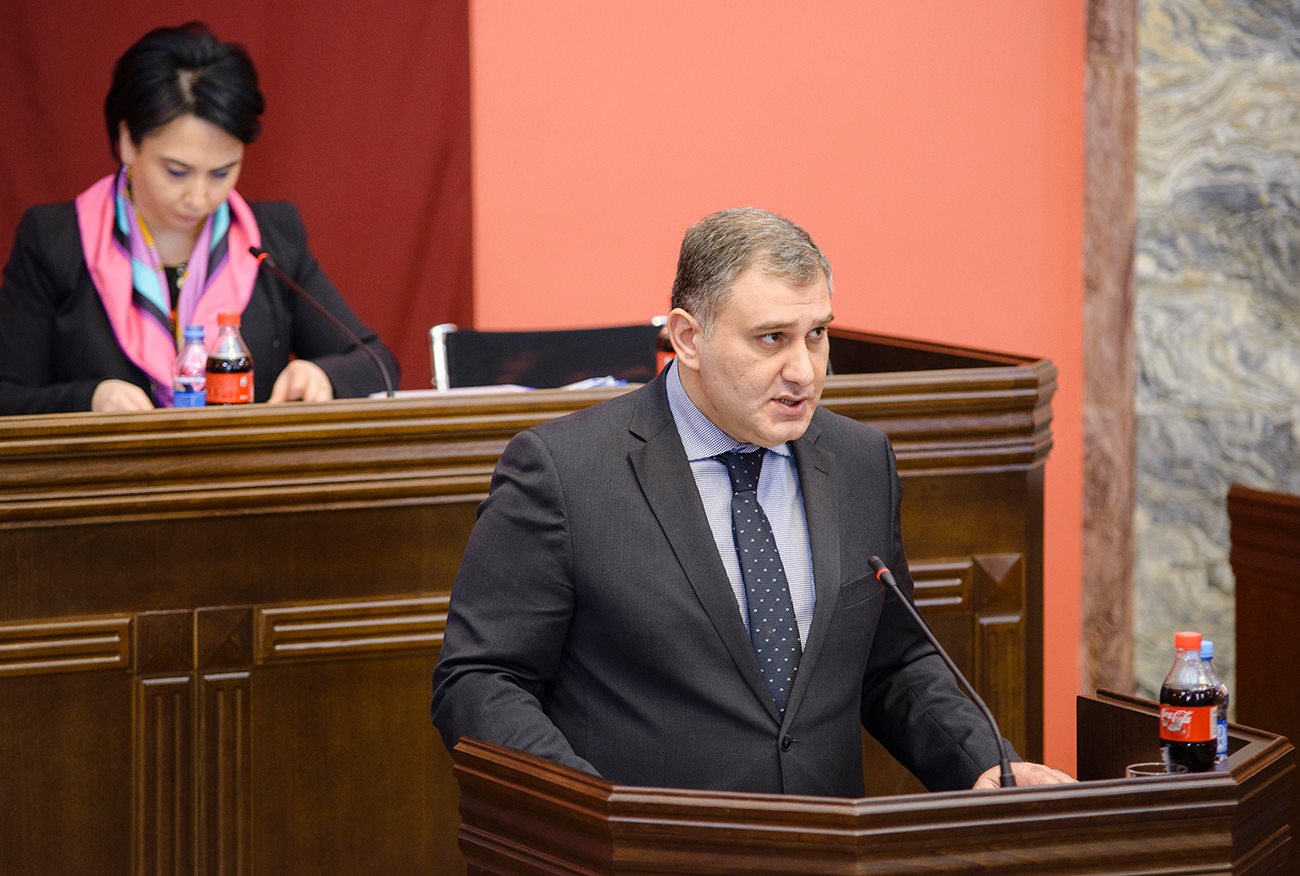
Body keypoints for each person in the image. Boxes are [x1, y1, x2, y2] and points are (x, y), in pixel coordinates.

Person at [432, 207, 1072, 796]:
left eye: (816, 334)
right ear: (688, 338)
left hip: (827, 848)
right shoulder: (566, 472)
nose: (804, 371)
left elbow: (893, 661)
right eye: (772, 338)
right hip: (646, 852)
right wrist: (593, 814)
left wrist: (982, 763)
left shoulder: (859, 461)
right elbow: (481, 680)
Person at [0, 22, 398, 415]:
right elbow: (8, 394)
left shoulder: (269, 238)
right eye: (177, 172)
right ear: (127, 141)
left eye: (222, 172)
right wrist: (89, 400)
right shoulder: (57, 240)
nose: (199, 197)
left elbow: (376, 363)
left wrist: (322, 376)